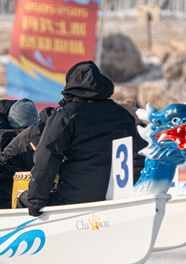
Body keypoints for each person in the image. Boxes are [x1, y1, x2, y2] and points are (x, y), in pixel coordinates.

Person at [17, 61, 143, 216]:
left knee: (22, 199)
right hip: (118, 195)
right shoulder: (122, 114)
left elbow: (47, 157)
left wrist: (35, 201)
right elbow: (138, 155)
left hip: (75, 198)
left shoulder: (65, 115)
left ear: (70, 85)